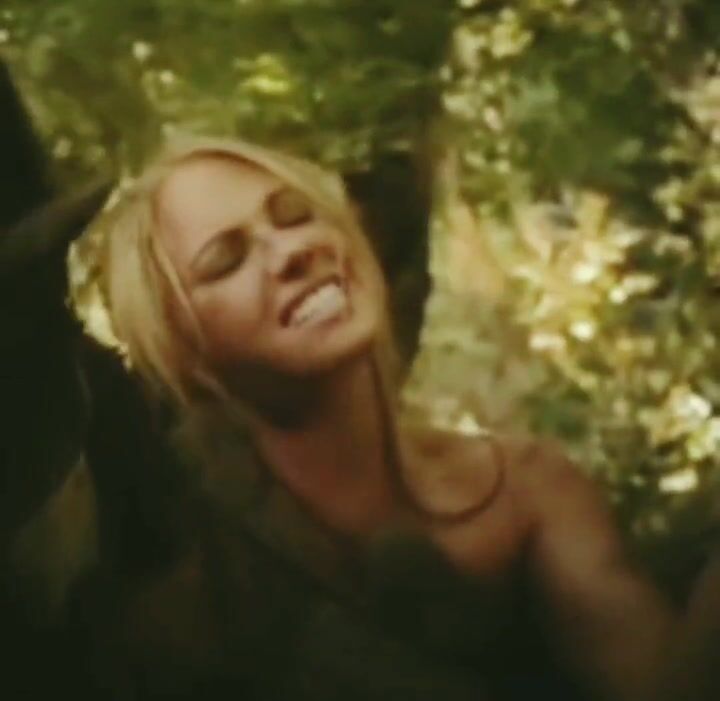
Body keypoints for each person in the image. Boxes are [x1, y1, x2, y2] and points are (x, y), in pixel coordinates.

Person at [91, 134, 677, 701]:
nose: (292, 251)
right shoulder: (191, 574)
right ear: (184, 350)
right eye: (227, 259)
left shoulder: (531, 488)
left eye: (295, 215)